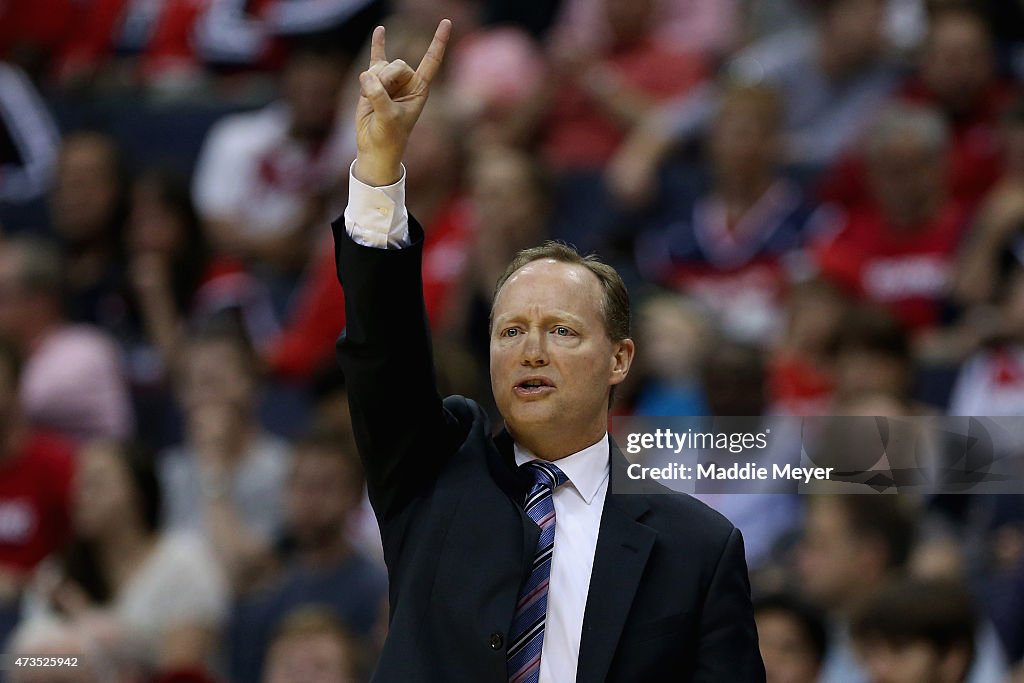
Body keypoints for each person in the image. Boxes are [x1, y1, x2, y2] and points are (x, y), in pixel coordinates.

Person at [334, 19, 763, 682]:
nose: (531, 349)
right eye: (511, 331)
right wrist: (381, 166)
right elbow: (382, 348)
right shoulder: (430, 469)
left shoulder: (697, 547)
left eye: (562, 330)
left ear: (620, 358)